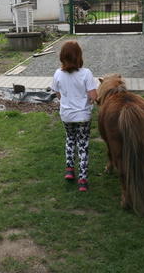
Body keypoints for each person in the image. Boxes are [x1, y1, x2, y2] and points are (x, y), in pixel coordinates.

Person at [51, 40, 98, 191]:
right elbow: (94, 96)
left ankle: (70, 169)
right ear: (79, 56)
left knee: (70, 139)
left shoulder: (58, 73)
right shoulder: (86, 73)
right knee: (83, 145)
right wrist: (88, 99)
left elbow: (58, 95)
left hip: (67, 115)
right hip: (83, 116)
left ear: (62, 56)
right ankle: (82, 180)